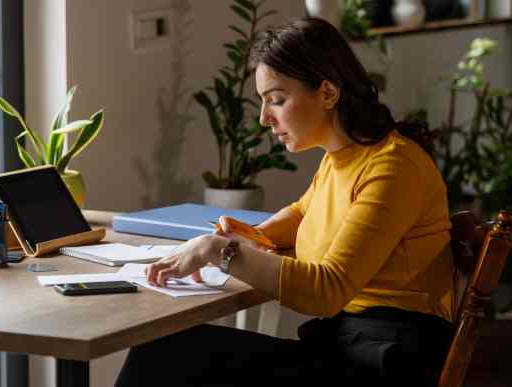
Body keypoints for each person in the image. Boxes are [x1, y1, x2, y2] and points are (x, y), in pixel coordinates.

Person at [115, 17, 455, 387]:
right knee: (164, 351)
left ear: (327, 93)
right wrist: (253, 235)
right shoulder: (341, 158)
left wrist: (221, 251)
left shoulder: (392, 168)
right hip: (352, 346)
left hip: (387, 362)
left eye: (276, 100)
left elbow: (327, 290)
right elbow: (303, 212)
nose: (264, 118)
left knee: (163, 356)